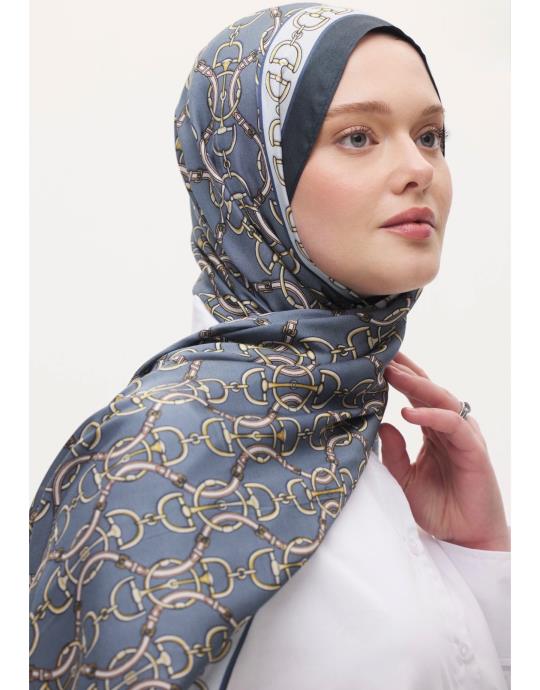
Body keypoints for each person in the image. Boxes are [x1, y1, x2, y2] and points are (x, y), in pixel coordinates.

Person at [29, 3, 510, 689]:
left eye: (430, 136)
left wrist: (478, 555)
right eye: (357, 137)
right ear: (255, 177)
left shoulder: (359, 430)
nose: (418, 168)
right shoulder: (157, 457)